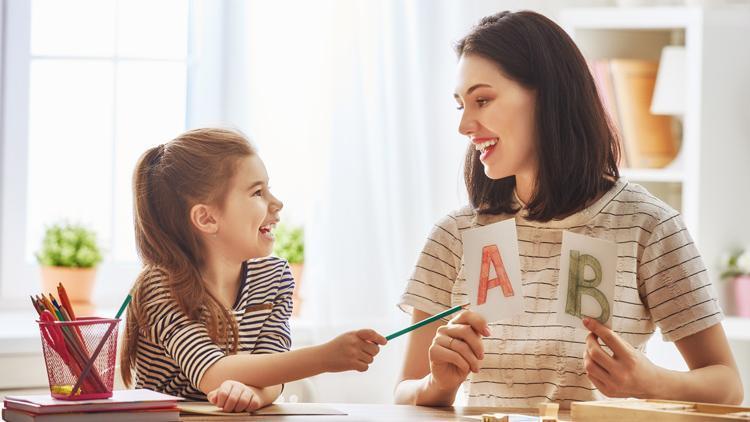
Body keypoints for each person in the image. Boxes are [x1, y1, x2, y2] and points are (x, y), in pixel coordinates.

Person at [394, 10, 743, 408]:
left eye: (483, 100)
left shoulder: (647, 226)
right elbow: (404, 392)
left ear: (548, 96)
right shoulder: (454, 235)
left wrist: (650, 382)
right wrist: (437, 384)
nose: (465, 125)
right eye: (461, 105)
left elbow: (728, 387)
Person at [120, 128, 387, 412]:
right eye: (257, 192)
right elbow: (212, 373)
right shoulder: (159, 287)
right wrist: (324, 357)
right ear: (207, 217)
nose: (277, 203)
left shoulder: (274, 278)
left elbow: (273, 367)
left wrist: (255, 395)